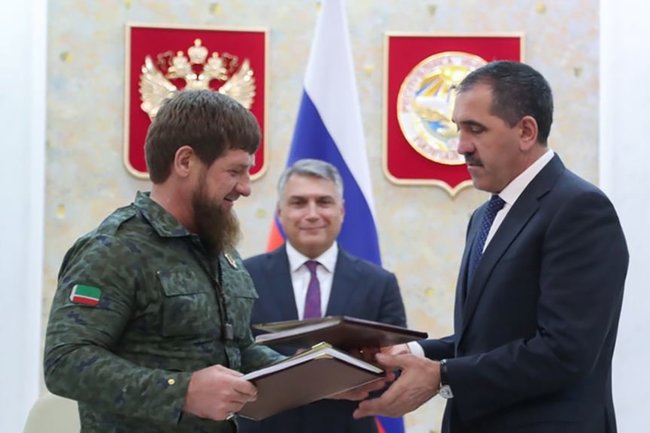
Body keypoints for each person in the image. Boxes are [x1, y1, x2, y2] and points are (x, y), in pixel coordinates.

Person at [43, 90, 380, 433]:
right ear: (185, 162)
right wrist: (181, 392)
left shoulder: (221, 253)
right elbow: (65, 361)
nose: (246, 188)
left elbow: (239, 351)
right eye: (235, 171)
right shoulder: (114, 248)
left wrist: (318, 379)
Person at [353, 61, 629, 433]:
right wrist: (412, 354)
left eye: (476, 129)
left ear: (526, 131)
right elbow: (484, 341)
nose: (461, 146)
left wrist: (442, 375)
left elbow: (565, 352)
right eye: (458, 128)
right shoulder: (484, 215)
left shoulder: (579, 209)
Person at [238, 158, 407, 433]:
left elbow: (397, 367)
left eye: (324, 202)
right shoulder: (243, 277)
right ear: (280, 212)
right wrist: (304, 375)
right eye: (299, 203)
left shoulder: (379, 283)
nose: (312, 213)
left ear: (342, 210)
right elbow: (230, 356)